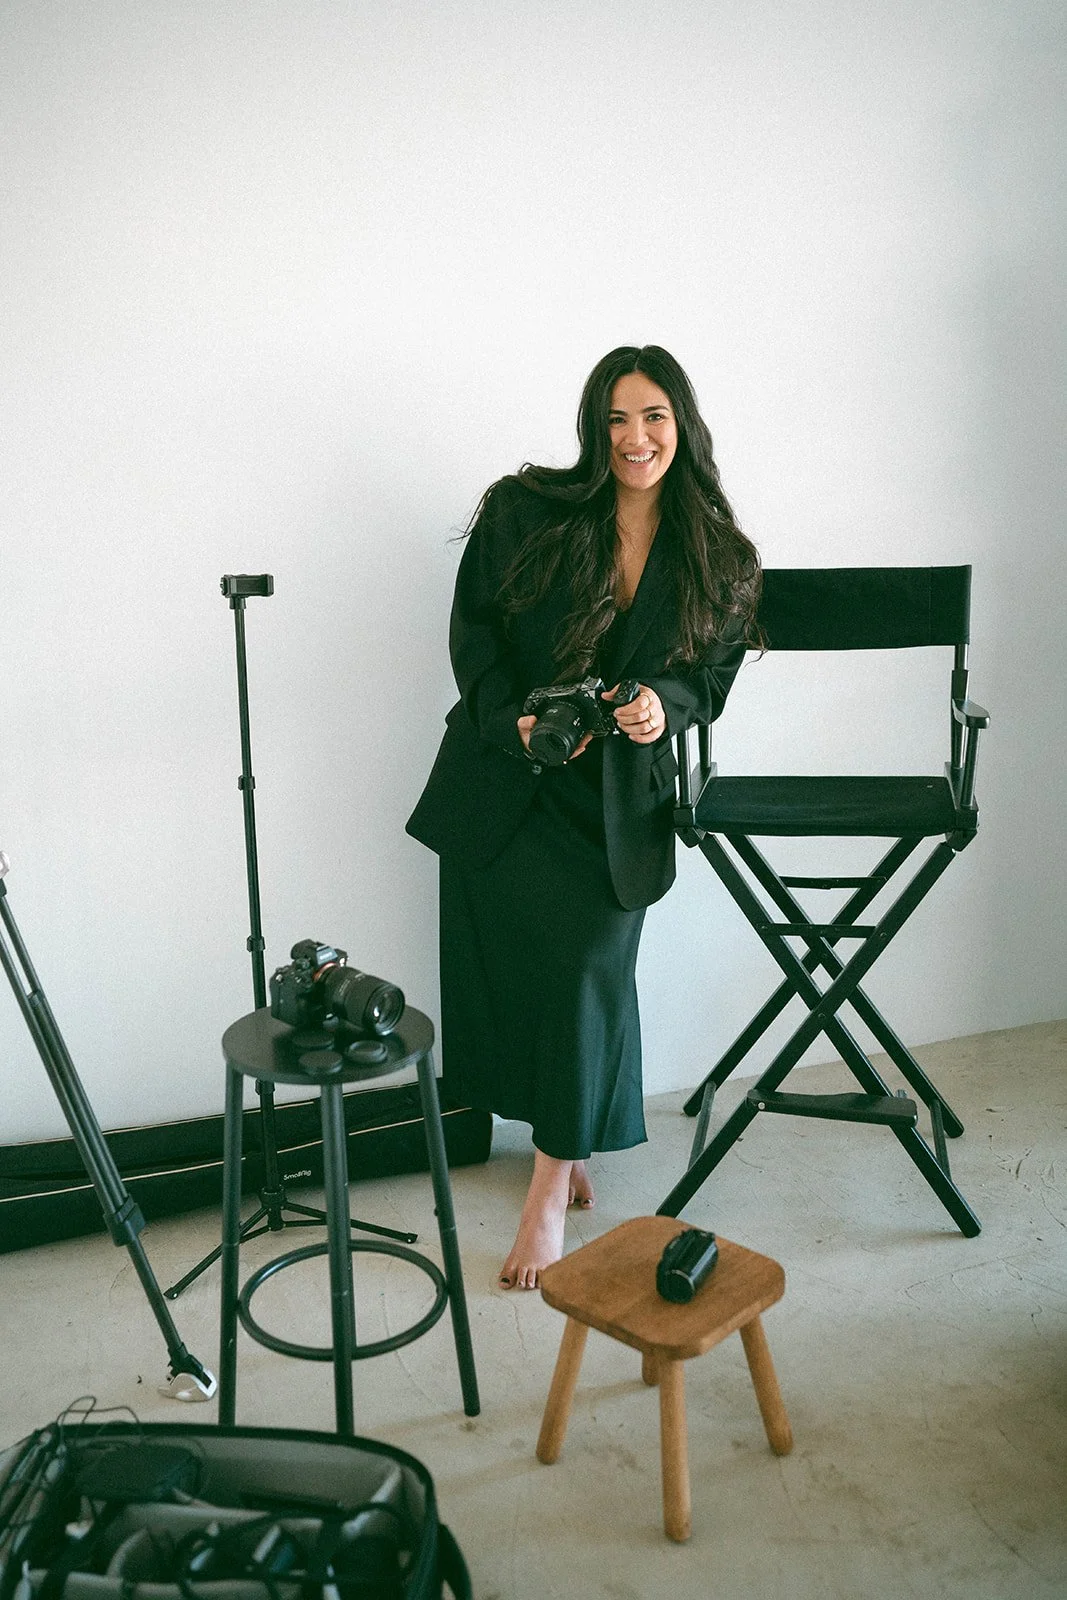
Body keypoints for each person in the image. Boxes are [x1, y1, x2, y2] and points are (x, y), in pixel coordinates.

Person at [406, 345, 761, 1289]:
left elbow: (707, 678)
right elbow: (473, 631)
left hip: (613, 803)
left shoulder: (718, 554)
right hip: (512, 775)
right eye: (613, 419)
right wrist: (509, 717)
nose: (633, 438)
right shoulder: (527, 512)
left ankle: (546, 1190)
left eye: (650, 416)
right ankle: (567, 1147)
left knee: (584, 980)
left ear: (680, 423)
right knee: (517, 980)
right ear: (590, 428)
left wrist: (665, 707)